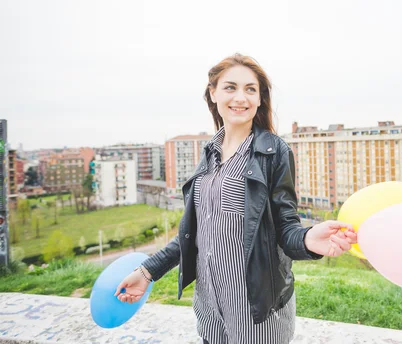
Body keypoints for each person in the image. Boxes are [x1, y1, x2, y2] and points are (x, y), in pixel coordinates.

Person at [115, 53, 357, 344]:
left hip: (257, 314)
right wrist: (147, 272)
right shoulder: (208, 153)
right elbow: (193, 232)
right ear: (213, 92)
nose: (240, 97)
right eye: (230, 87)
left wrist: (308, 240)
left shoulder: (273, 152)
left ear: (259, 99)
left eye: (250, 89)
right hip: (209, 310)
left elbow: (285, 228)